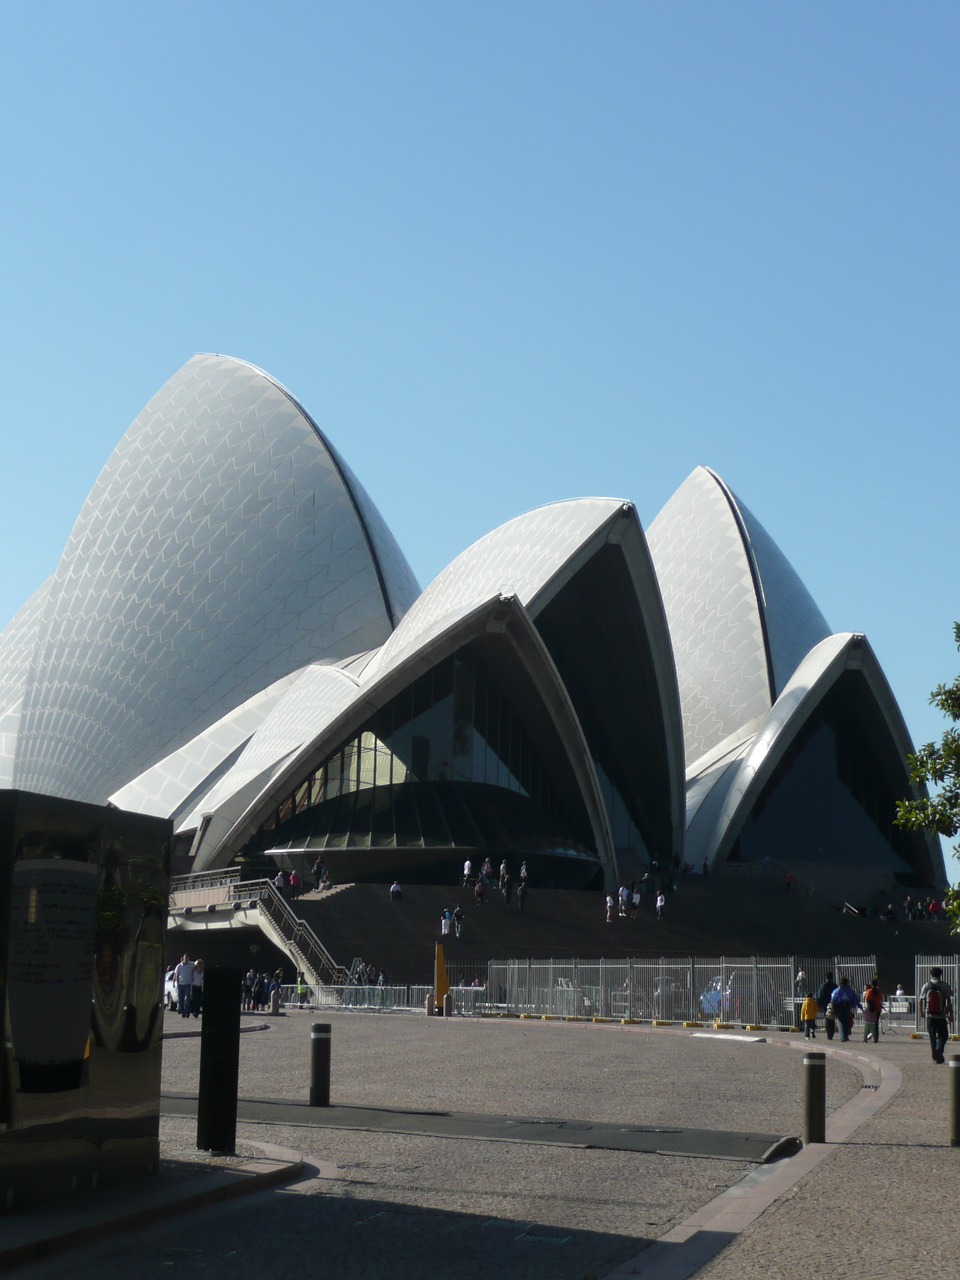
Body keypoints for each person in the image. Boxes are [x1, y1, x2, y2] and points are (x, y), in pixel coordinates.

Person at [919, 965, 955, 1064]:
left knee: (932, 1036)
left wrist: (921, 1012)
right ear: (941, 975)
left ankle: (935, 1055)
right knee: (944, 1035)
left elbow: (920, 1000)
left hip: (929, 1015)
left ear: (931, 974)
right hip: (941, 1015)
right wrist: (950, 1014)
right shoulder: (944, 986)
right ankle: (939, 1050)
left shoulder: (926, 985)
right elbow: (948, 1001)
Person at [829, 975, 862, 1042]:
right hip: (847, 1007)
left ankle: (843, 1037)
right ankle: (845, 1036)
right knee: (846, 1021)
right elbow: (854, 998)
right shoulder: (849, 991)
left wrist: (832, 1007)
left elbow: (833, 999)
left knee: (841, 1022)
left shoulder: (836, 991)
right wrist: (858, 1005)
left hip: (838, 1007)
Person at [862, 977, 883, 1044]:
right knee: (875, 1024)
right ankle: (875, 1038)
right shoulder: (879, 992)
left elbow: (867, 999)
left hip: (870, 1009)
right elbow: (880, 999)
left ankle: (865, 1037)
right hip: (877, 1009)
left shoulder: (869, 991)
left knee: (867, 1024)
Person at [817, 971, 836, 1040]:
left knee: (828, 1019)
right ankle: (831, 1033)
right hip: (833, 1004)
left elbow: (820, 996)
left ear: (826, 977)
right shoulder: (835, 985)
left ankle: (829, 1034)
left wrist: (819, 1005)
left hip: (825, 1004)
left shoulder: (823, 986)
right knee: (832, 1019)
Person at [174, 954, 195, 1018]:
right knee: (180, 999)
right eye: (185, 958)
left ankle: (187, 1011)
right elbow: (176, 975)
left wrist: (193, 973)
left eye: (187, 958)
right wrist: (176, 983)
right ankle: (182, 1011)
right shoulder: (179, 966)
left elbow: (197, 966)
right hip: (180, 984)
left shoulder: (191, 964)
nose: (186, 959)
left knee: (187, 998)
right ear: (183, 958)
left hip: (188, 984)